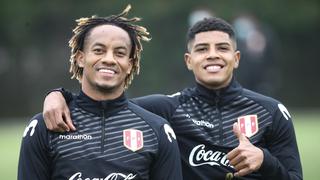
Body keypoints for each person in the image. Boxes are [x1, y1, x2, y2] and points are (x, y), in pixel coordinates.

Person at [43, 17, 303, 179]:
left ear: (236, 58)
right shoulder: (167, 109)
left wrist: (264, 161)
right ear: (189, 61)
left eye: (222, 48)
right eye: (202, 49)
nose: (212, 55)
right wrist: (59, 95)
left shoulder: (271, 111)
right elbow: (107, 104)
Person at [18, 5, 183, 180]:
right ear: (80, 58)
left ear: (130, 65)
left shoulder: (157, 130)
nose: (109, 59)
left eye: (119, 53)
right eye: (99, 50)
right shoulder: (46, 126)